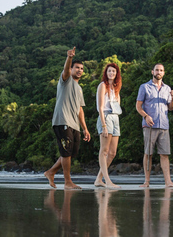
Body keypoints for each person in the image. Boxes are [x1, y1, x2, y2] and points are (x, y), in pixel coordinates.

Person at [45, 48, 91, 190]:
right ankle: (67, 182)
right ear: (71, 69)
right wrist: (69, 57)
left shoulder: (79, 88)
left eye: (82, 68)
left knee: (71, 152)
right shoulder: (66, 80)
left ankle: (51, 172)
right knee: (66, 152)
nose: (79, 70)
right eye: (77, 67)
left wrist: (85, 128)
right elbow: (65, 70)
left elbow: (80, 109)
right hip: (62, 120)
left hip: (74, 124)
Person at [135, 63, 173, 188]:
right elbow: (138, 106)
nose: (159, 72)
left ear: (164, 73)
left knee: (164, 154)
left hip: (164, 125)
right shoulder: (144, 87)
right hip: (150, 125)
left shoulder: (167, 88)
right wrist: (146, 116)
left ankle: (168, 182)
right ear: (152, 72)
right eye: (157, 70)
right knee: (148, 153)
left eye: (161, 70)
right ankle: (147, 182)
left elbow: (171, 107)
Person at [94, 62, 122, 189]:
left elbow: (118, 105)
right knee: (104, 150)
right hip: (105, 116)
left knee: (112, 152)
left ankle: (99, 179)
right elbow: (100, 107)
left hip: (115, 117)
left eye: (114, 71)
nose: (111, 73)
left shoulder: (116, 88)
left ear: (116, 74)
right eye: (109, 71)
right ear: (106, 73)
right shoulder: (102, 86)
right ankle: (107, 180)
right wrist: (104, 125)